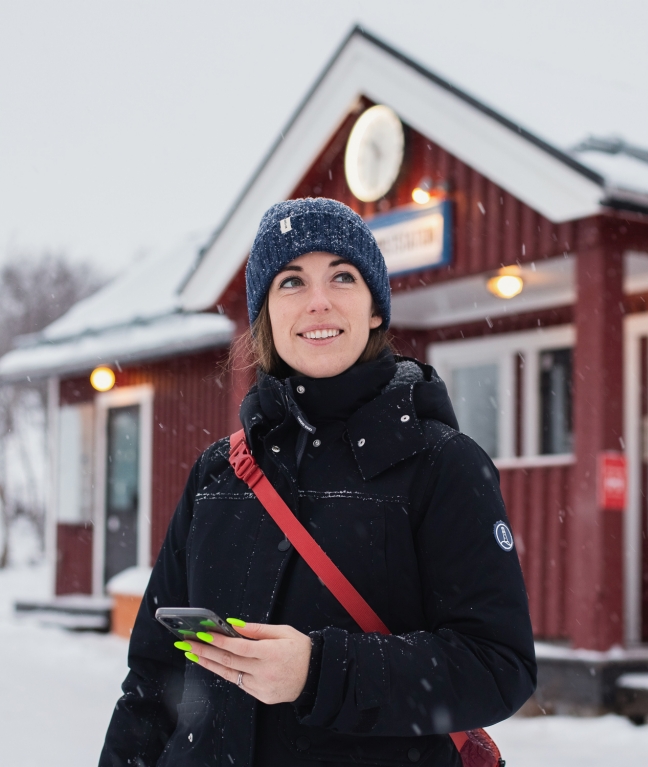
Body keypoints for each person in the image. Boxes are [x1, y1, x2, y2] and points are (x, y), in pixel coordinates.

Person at [99, 197, 536, 767]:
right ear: (266, 317)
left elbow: (498, 666)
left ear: (376, 309)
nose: (319, 302)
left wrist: (319, 672)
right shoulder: (218, 474)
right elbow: (153, 680)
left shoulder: (443, 465)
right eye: (291, 282)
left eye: (342, 276)